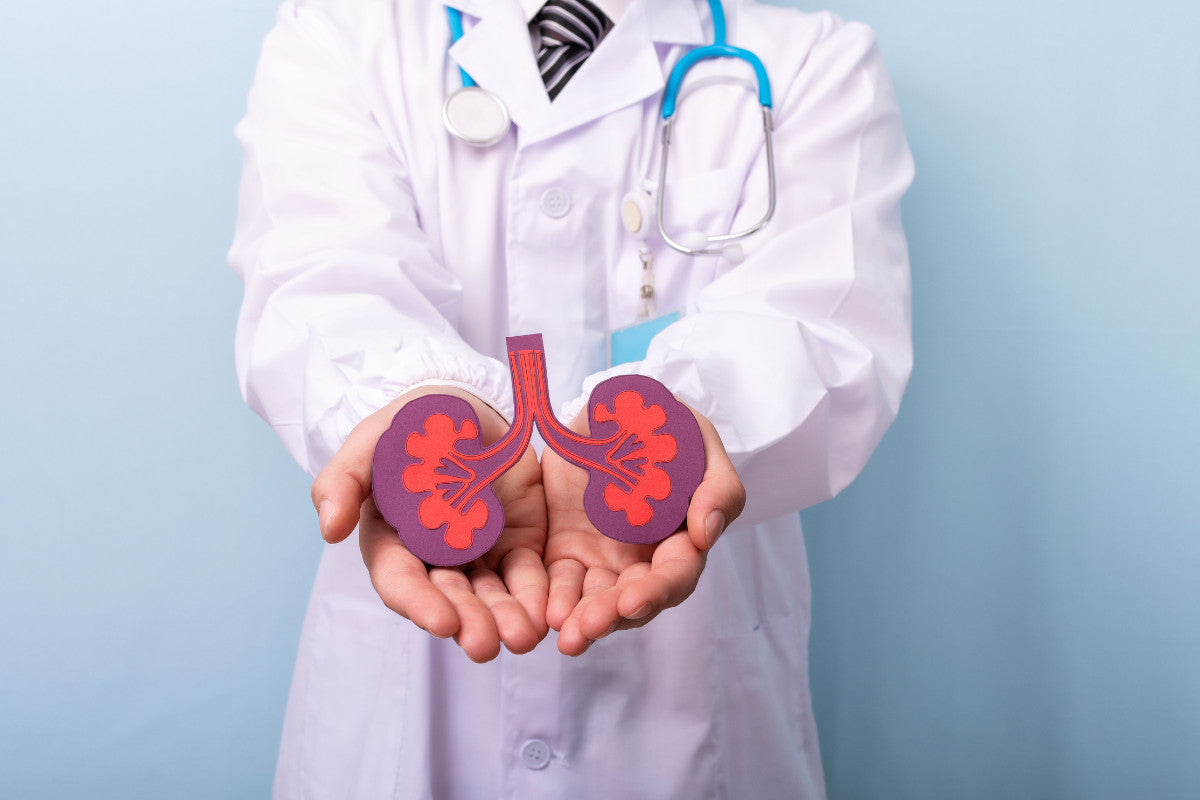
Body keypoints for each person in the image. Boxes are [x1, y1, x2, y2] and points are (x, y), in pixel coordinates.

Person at [229, 0, 913, 796]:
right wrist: (424, 409)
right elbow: (320, 285)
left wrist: (679, 420)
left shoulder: (814, 64)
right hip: (408, 685)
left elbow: (824, 328)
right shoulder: (343, 34)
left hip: (694, 684)